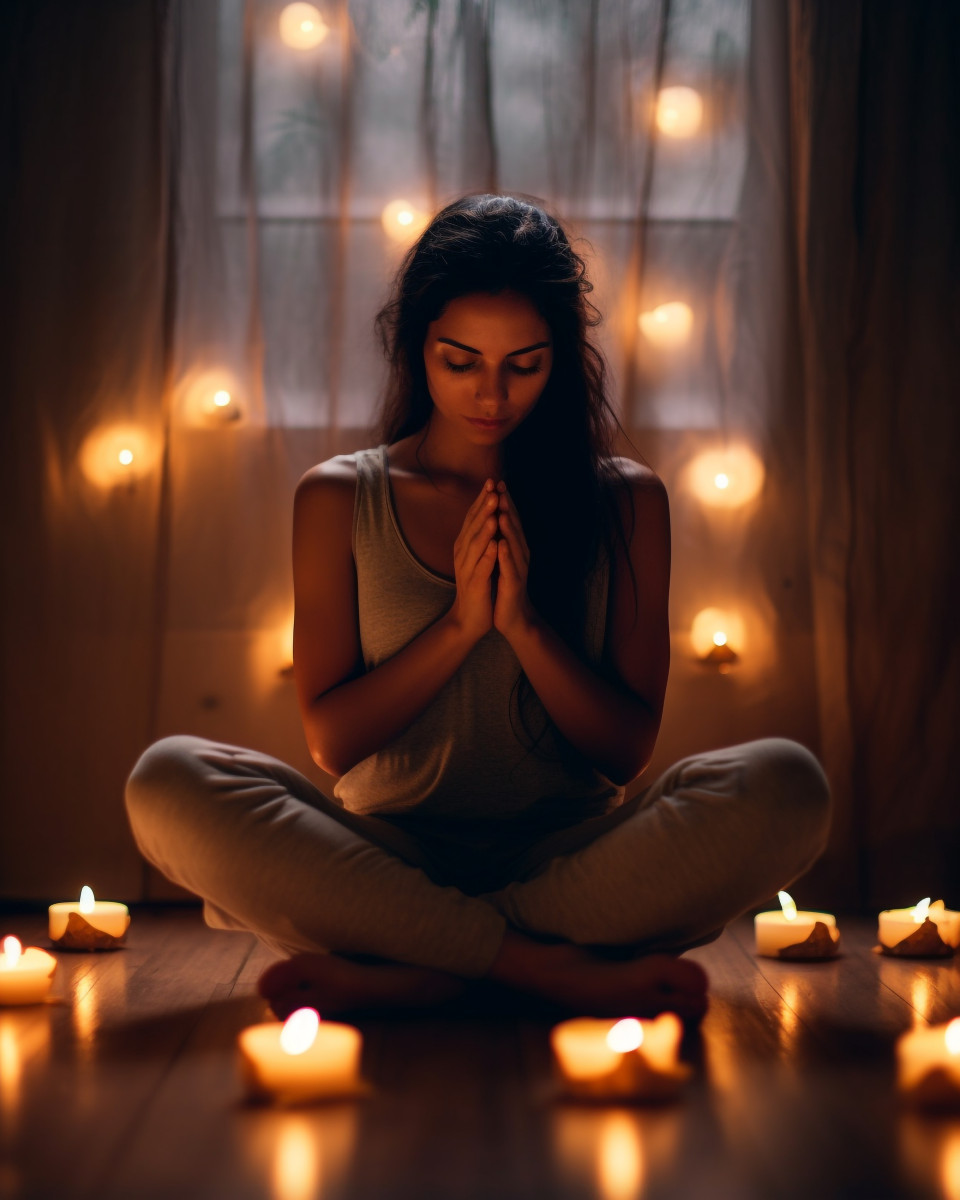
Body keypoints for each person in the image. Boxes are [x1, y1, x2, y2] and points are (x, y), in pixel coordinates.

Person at [124, 193, 831, 1023]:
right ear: (415, 346)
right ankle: (540, 970)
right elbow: (333, 742)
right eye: (461, 362)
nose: (491, 395)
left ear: (560, 358)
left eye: (523, 365)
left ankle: (427, 961)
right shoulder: (340, 495)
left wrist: (524, 625)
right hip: (383, 854)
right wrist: (460, 626)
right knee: (168, 779)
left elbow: (624, 752)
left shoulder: (627, 503)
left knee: (789, 783)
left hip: (571, 863)